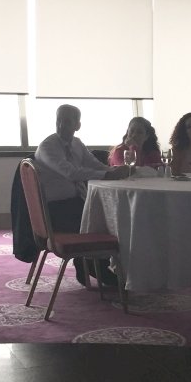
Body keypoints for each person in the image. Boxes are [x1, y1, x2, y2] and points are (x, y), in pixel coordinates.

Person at [34, 104, 130, 285]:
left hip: (75, 203)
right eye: (59, 120)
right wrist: (107, 175)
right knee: (100, 222)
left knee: (108, 217)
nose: (61, 125)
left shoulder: (77, 144)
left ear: (78, 125)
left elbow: (95, 165)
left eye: (67, 121)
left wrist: (114, 170)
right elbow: (70, 172)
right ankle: (96, 270)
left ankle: (94, 267)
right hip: (55, 210)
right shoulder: (48, 146)